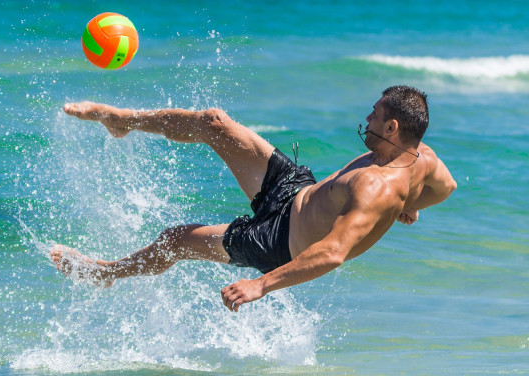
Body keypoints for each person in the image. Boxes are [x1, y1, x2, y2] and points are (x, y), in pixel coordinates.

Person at [50, 85, 457, 312]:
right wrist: (412, 204)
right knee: (215, 123)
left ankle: (105, 273)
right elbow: (447, 188)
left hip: (279, 241)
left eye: (373, 114)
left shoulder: (376, 188)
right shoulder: (424, 160)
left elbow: (333, 253)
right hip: (297, 189)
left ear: (392, 124)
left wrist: (261, 285)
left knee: (176, 240)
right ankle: (123, 121)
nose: (366, 119)